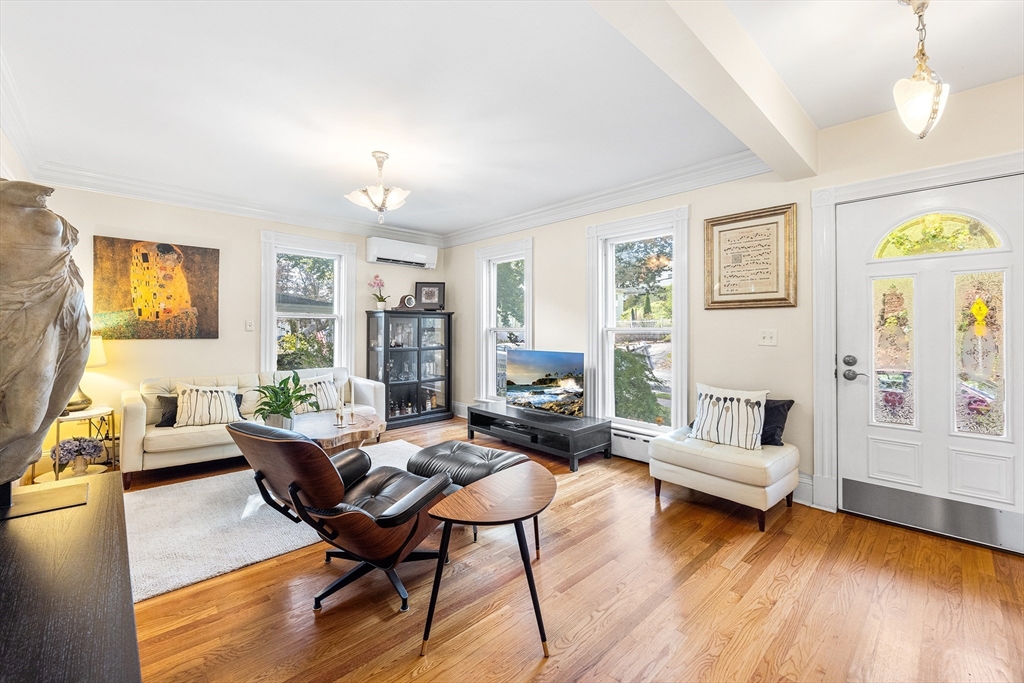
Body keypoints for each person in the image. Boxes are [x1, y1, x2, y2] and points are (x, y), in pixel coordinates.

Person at [0, 178, 90, 485]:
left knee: (56, 404)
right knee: (24, 422)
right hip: (33, 314)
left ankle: (16, 460)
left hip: (72, 312)